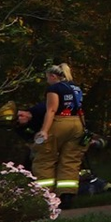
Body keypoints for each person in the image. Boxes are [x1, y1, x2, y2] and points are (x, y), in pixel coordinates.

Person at [32, 64, 86, 195]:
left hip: (60, 122)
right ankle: (67, 194)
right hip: (77, 123)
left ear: (53, 76)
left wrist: (44, 130)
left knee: (45, 158)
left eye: (47, 78)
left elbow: (51, 110)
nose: (47, 81)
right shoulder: (76, 88)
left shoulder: (54, 88)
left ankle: (44, 194)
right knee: (70, 160)